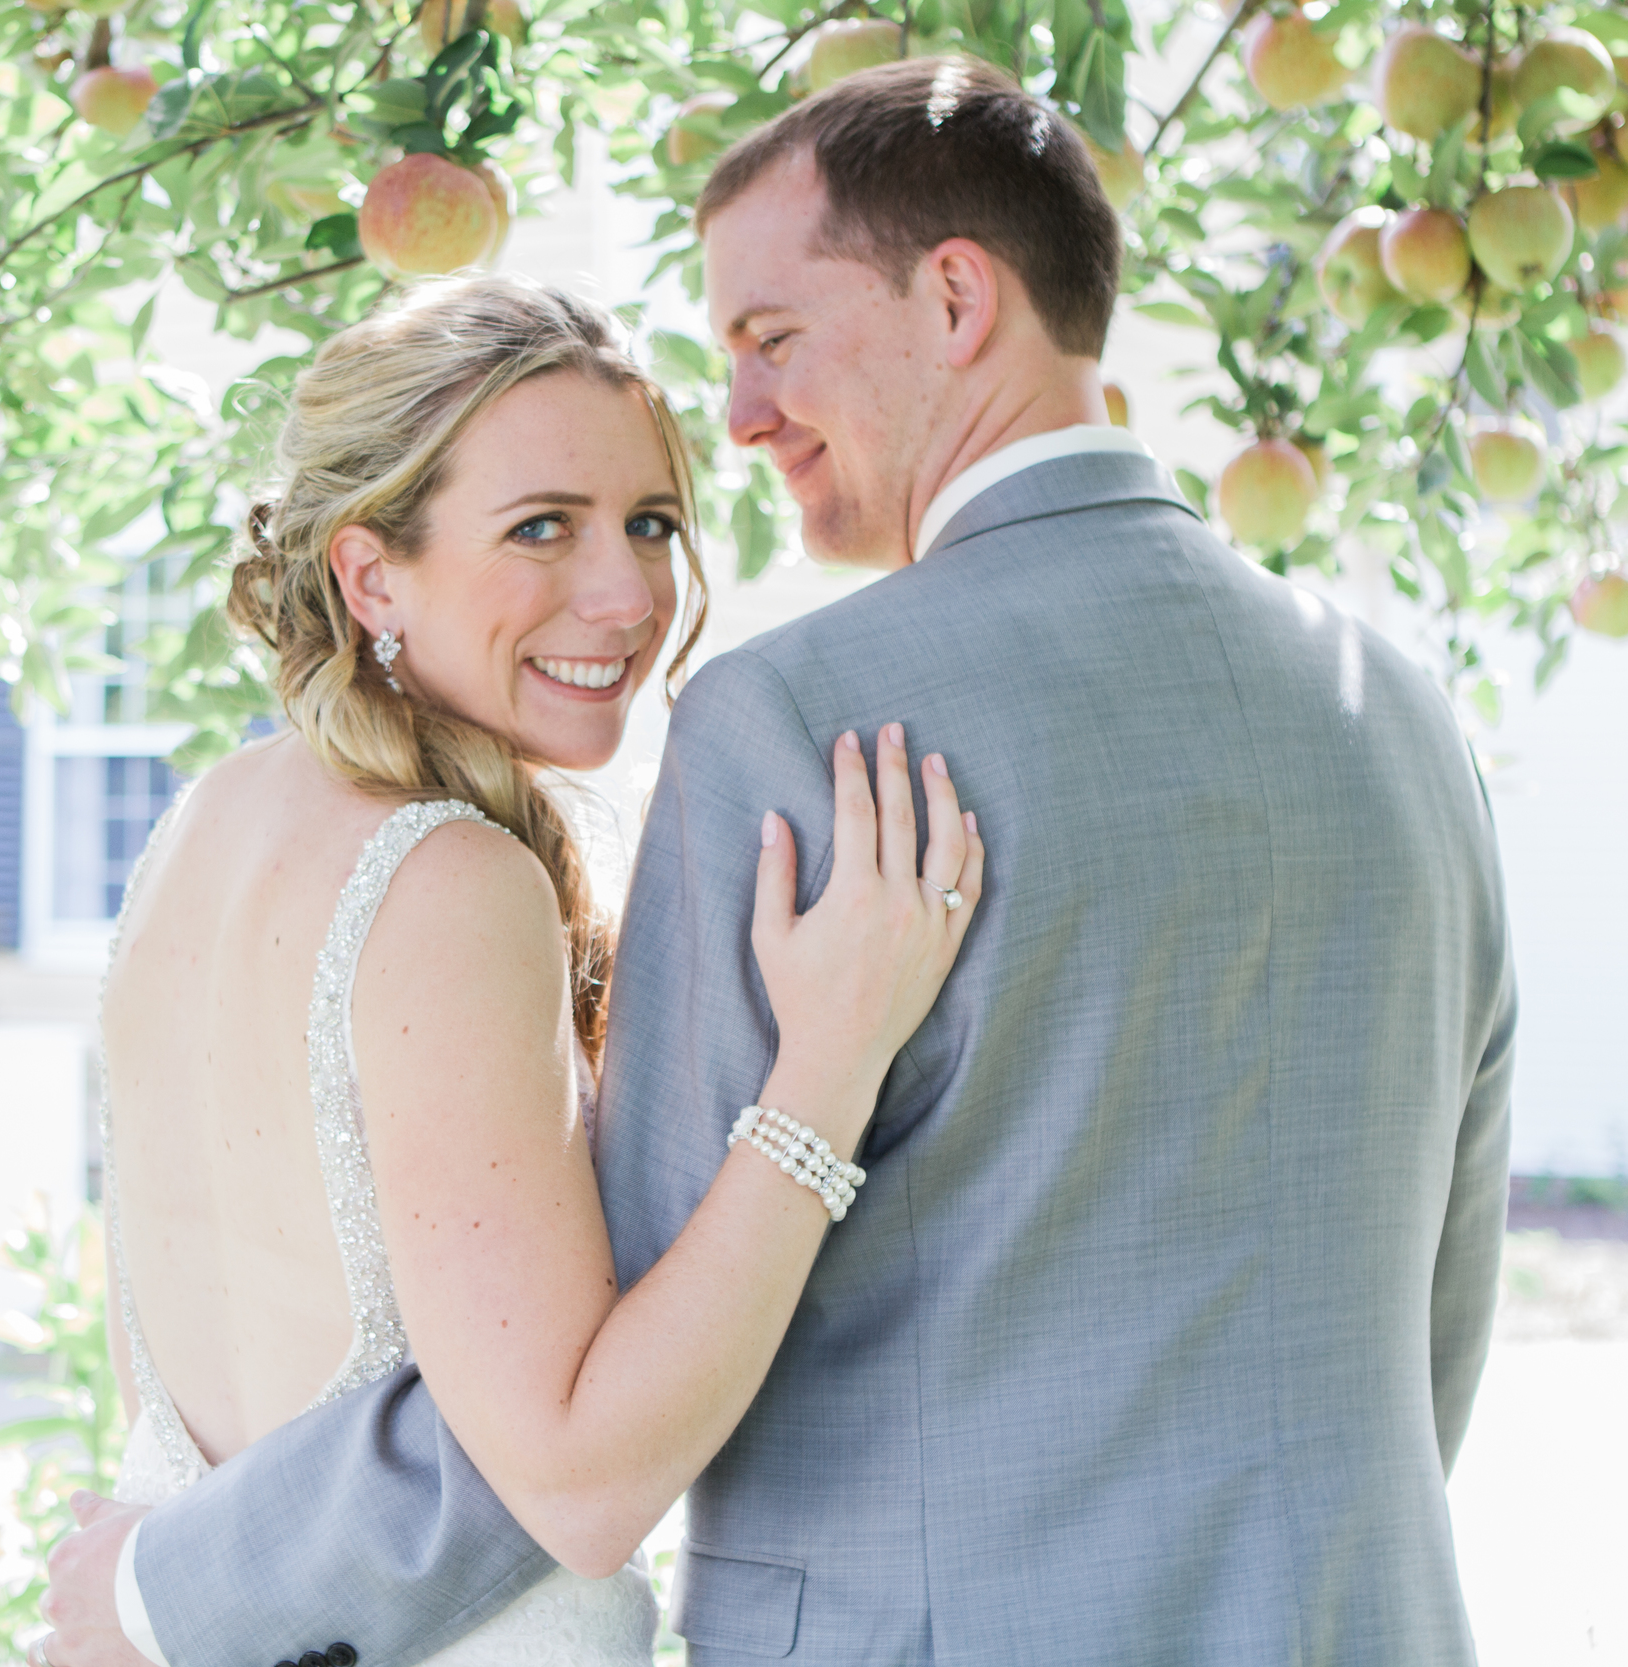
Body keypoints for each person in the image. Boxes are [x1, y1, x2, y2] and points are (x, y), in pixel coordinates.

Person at [48, 55, 1515, 1667]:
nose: (742, 421)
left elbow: (577, 1422)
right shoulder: (1400, 713)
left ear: (956, 300)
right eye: (546, 524)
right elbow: (1438, 1308)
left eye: (771, 341)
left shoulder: (807, 726)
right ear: (369, 573)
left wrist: (163, 1585)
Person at [54, 272, 982, 1667]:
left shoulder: (199, 831)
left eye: (651, 525)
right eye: (541, 527)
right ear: (372, 575)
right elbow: (581, 1477)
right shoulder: (450, 883)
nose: (624, 595)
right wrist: (833, 1062)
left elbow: (163, 1381)